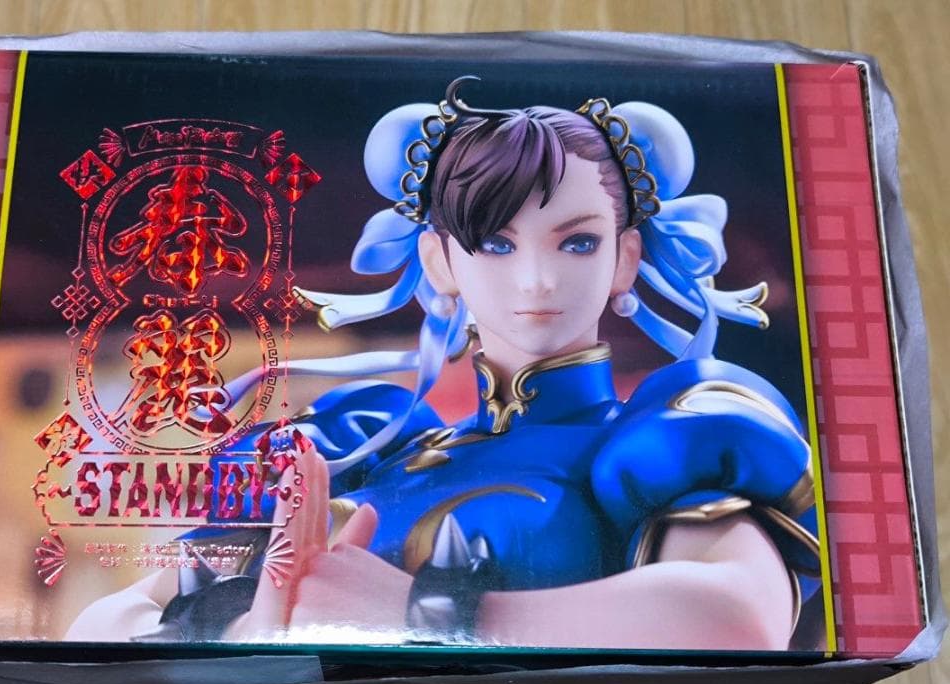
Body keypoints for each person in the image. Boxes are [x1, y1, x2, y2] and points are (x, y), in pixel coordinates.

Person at [66, 78, 820, 651]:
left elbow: (740, 618)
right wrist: (246, 627)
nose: (536, 280)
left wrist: (423, 614)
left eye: (577, 242)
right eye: (495, 243)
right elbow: (100, 627)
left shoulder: (661, 437)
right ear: (440, 261)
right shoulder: (365, 445)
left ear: (624, 258)